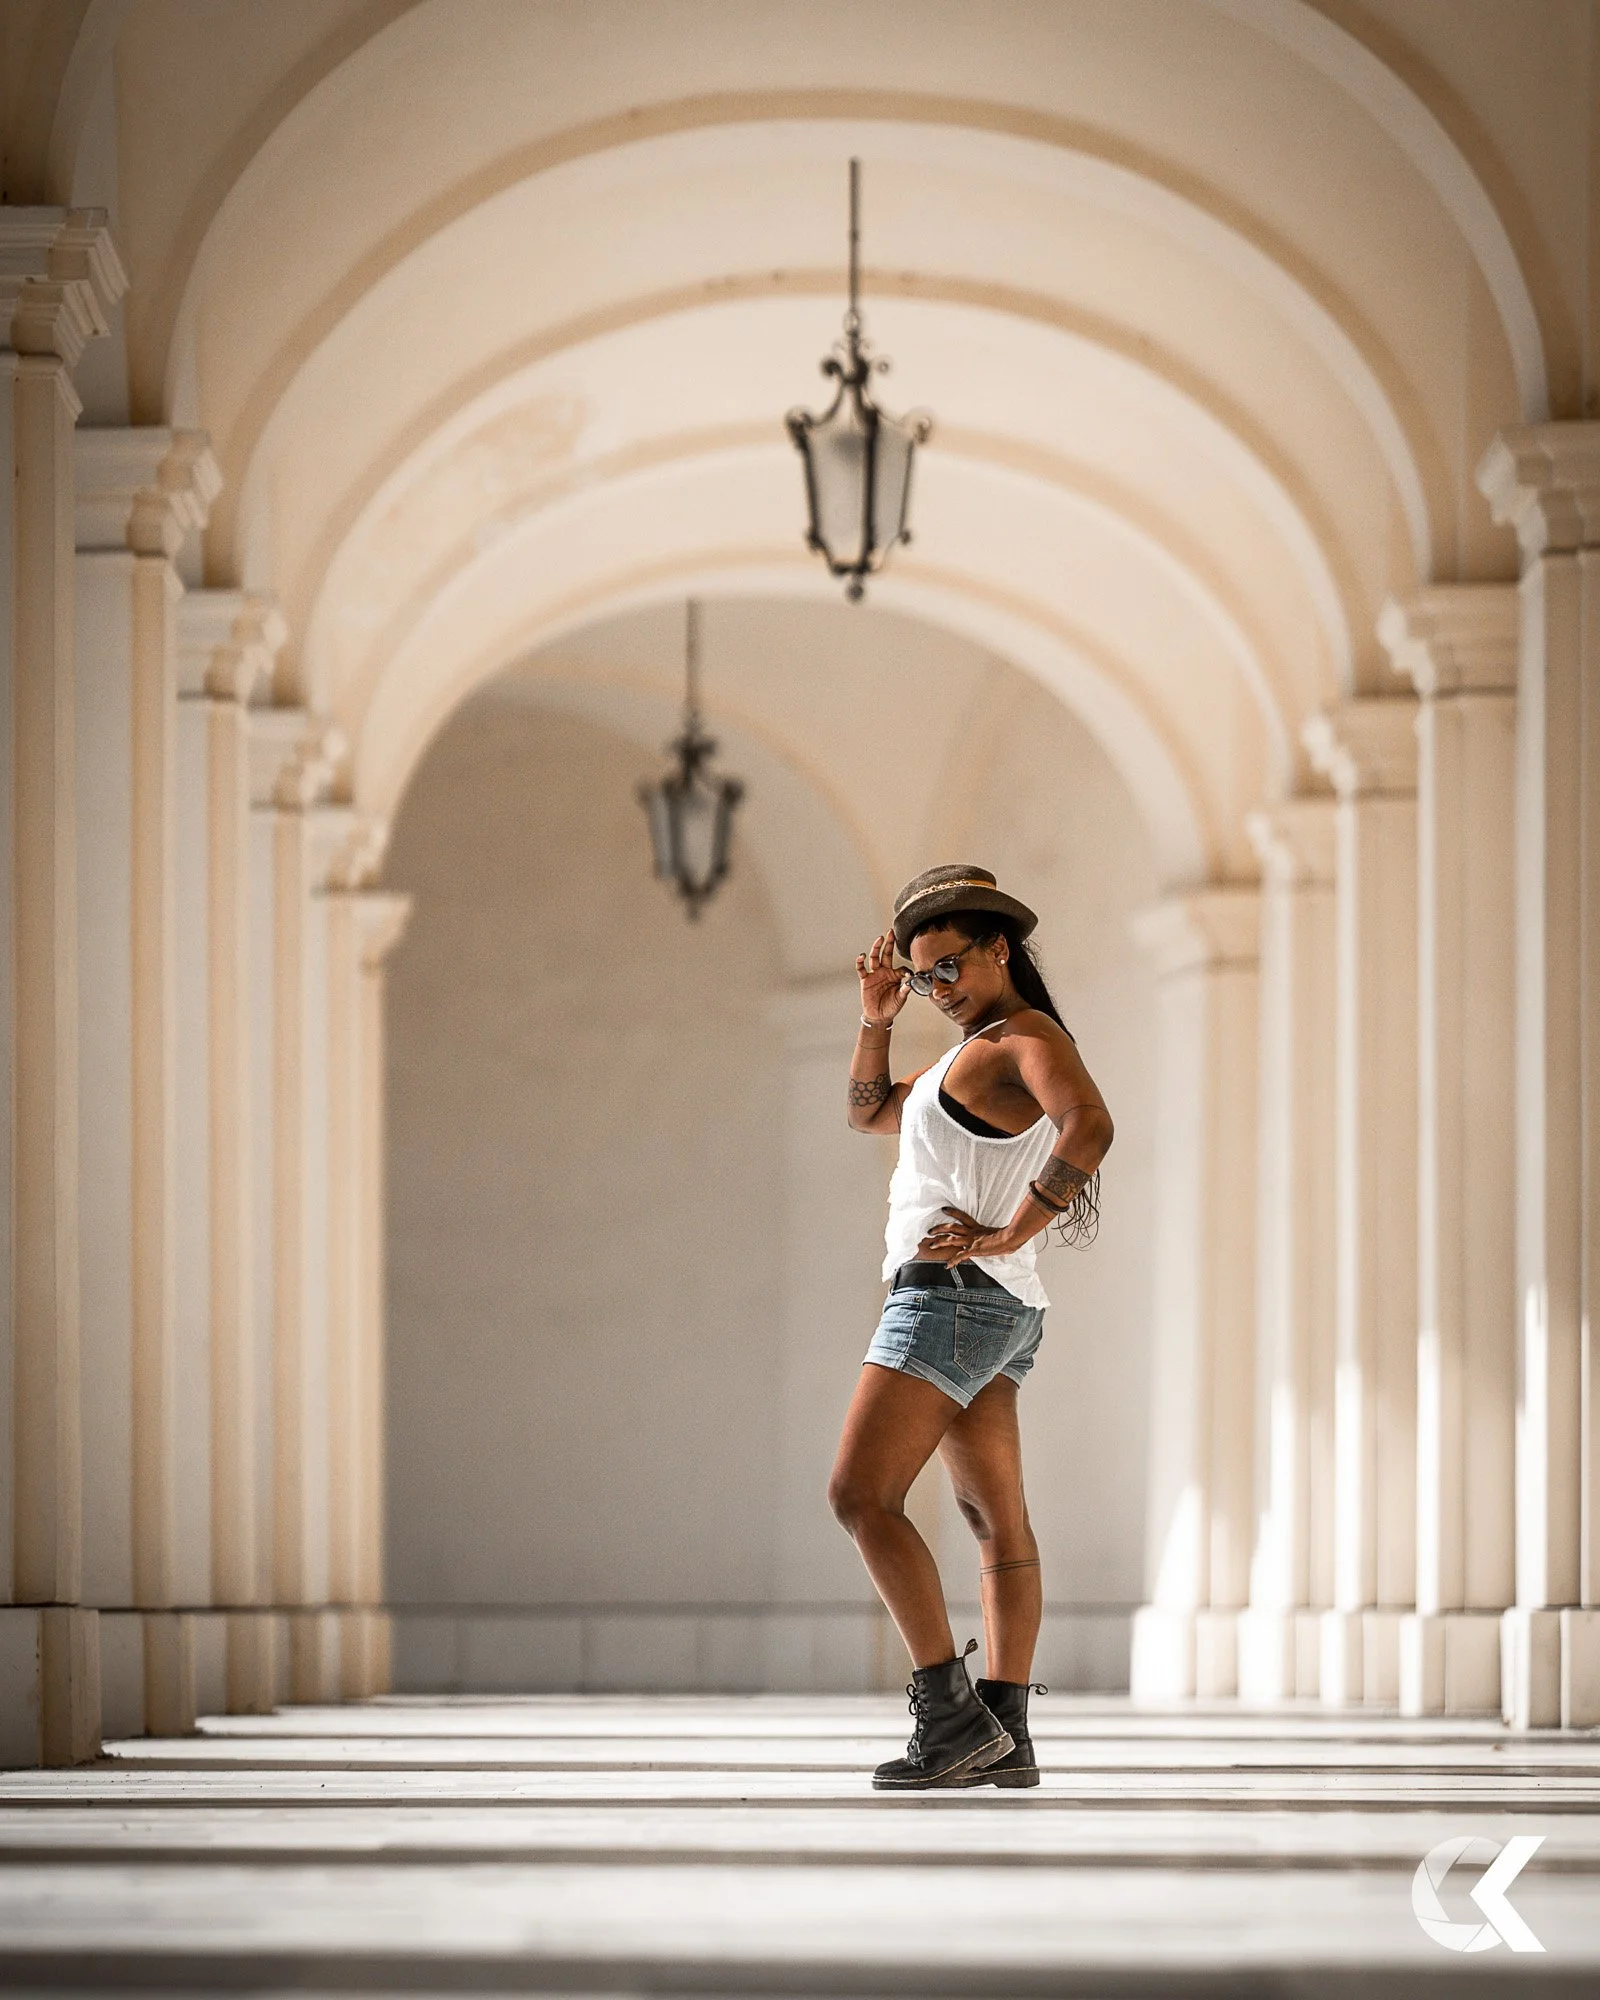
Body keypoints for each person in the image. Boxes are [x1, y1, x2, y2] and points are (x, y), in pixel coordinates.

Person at [828, 865, 1113, 1789]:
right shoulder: (971, 1052)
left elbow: (1091, 1126)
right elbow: (869, 1112)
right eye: (922, 978)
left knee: (860, 1497)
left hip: (952, 1297)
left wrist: (1008, 1228)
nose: (938, 990)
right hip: (998, 1305)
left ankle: (949, 1718)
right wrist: (876, 1016)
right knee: (994, 1520)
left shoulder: (1022, 1039)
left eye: (949, 968)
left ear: (999, 949)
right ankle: (1008, 1729)